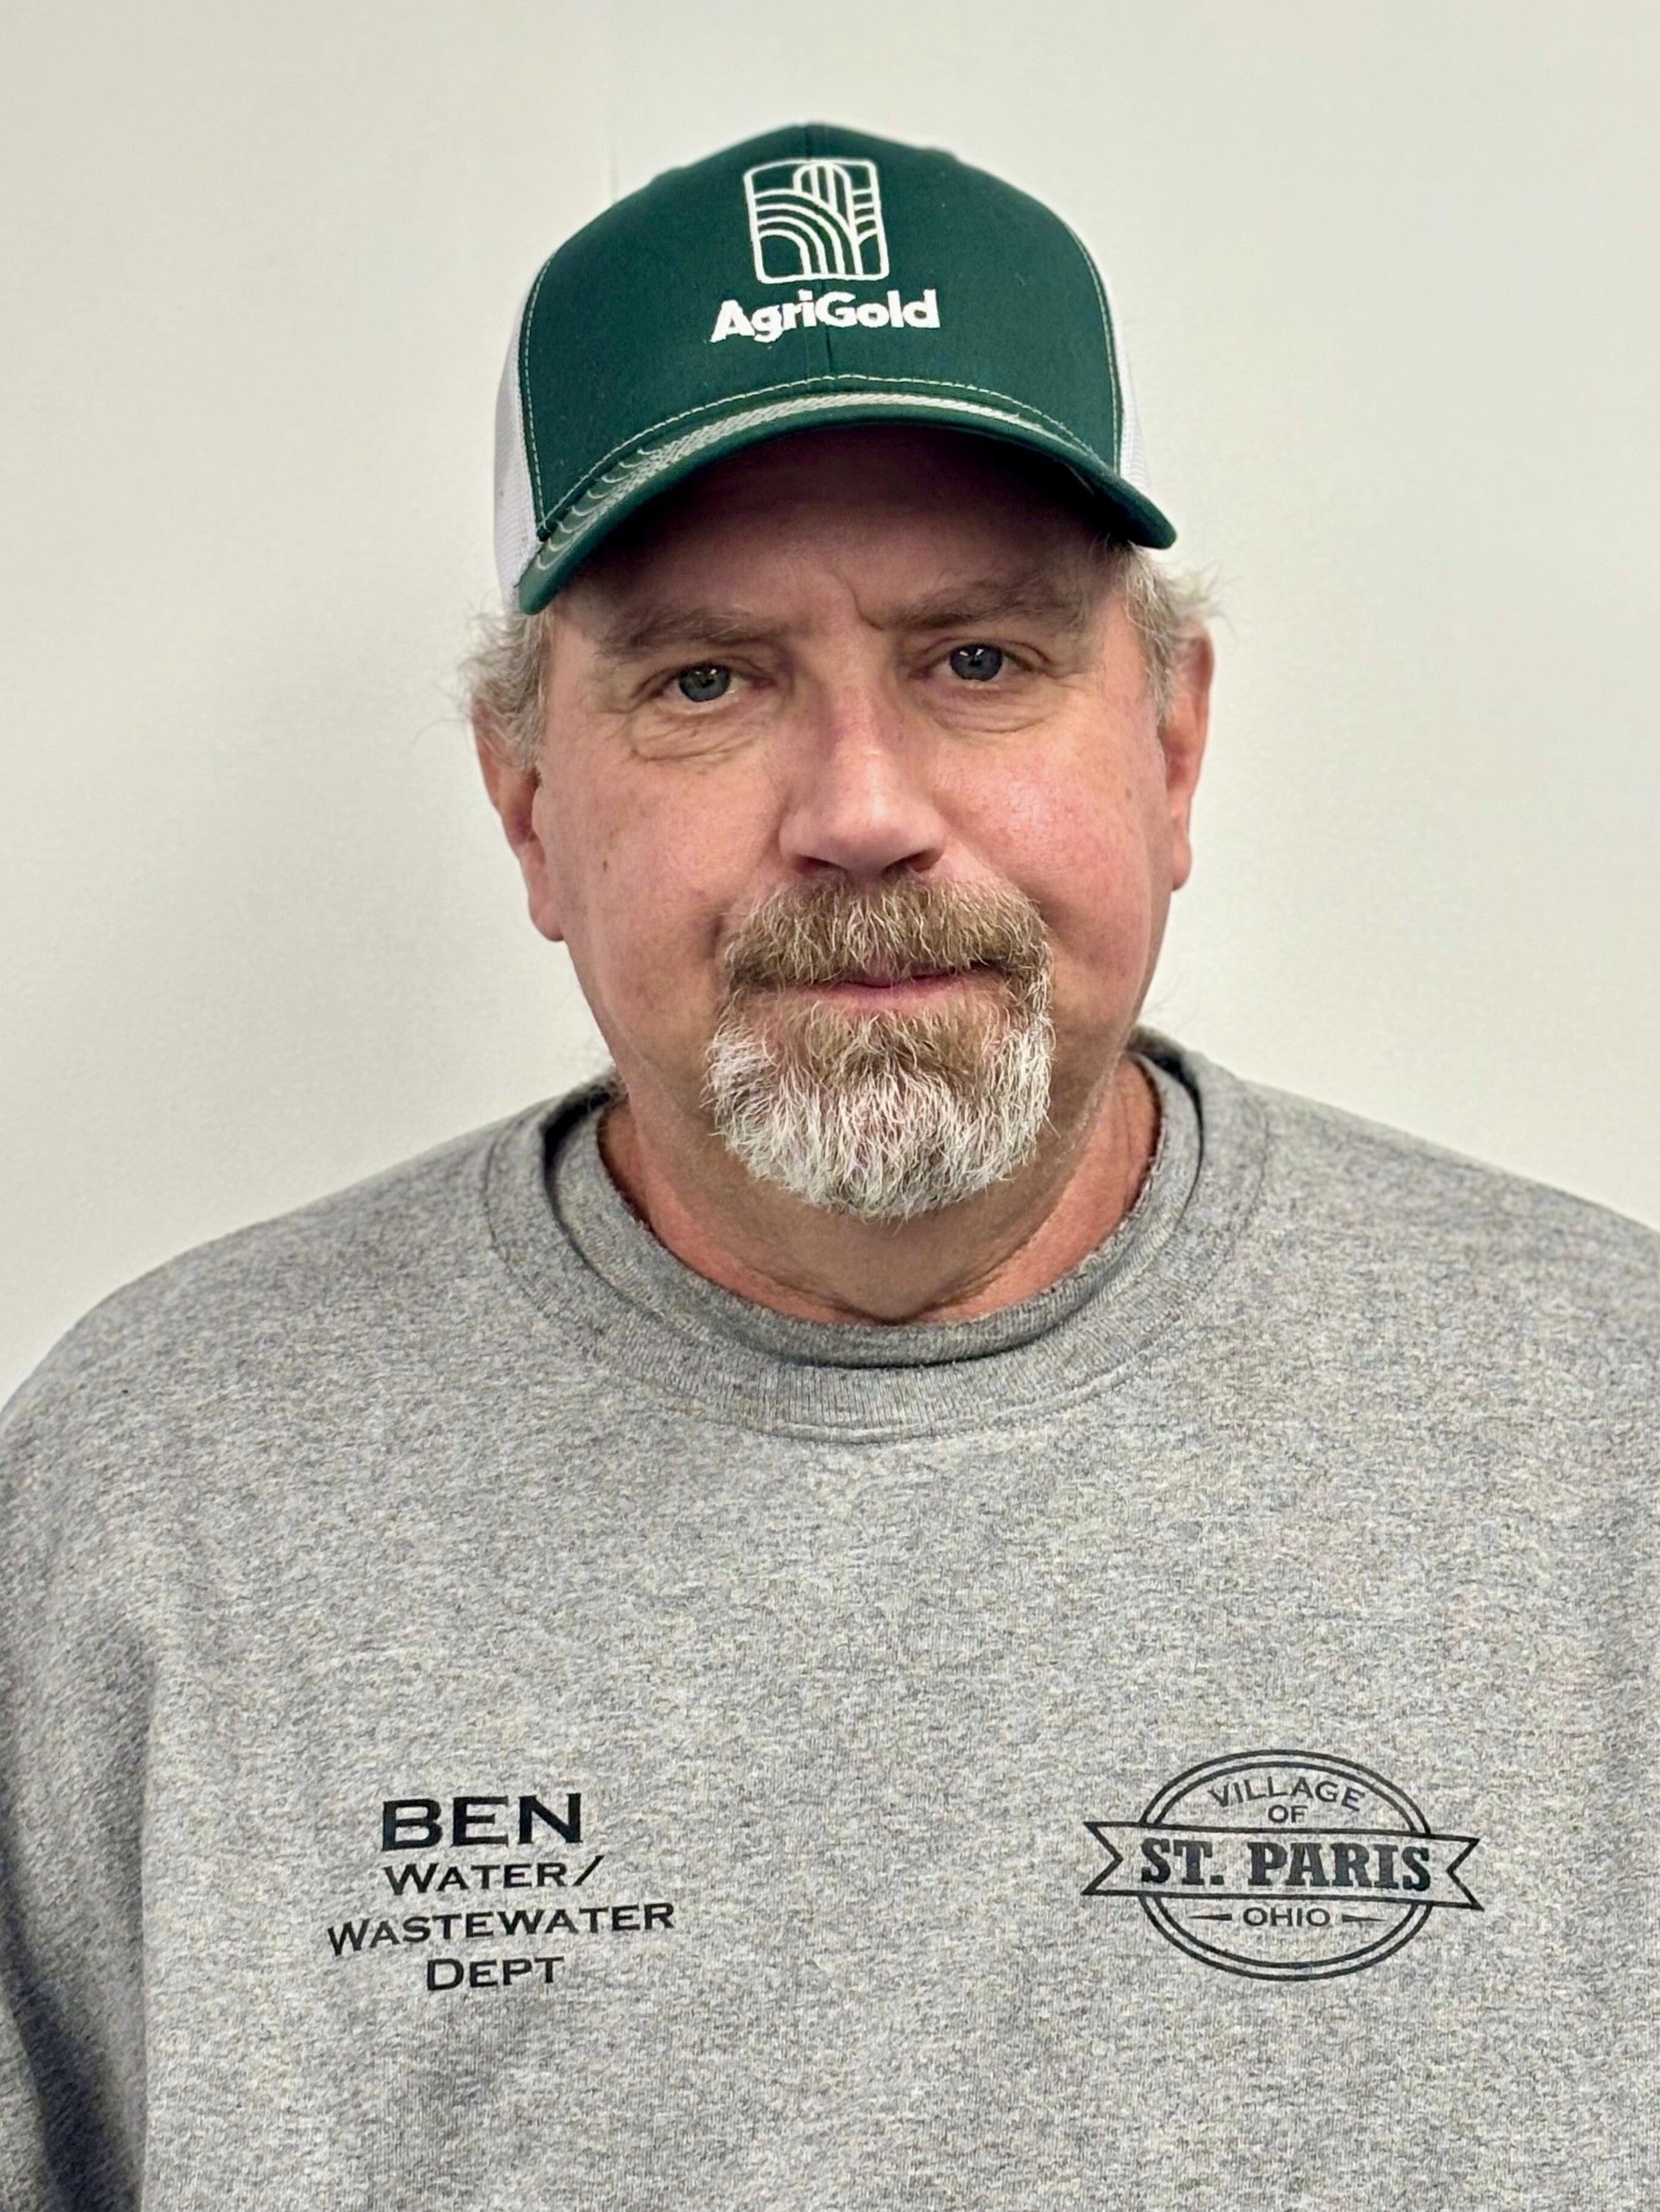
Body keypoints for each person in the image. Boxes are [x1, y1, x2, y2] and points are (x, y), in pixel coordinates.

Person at [1, 121, 1655, 2212]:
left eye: (981, 660)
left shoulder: (1608, 1433)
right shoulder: (149, 1503)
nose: (862, 809)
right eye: (709, 680)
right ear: (527, 806)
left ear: (1168, 749)